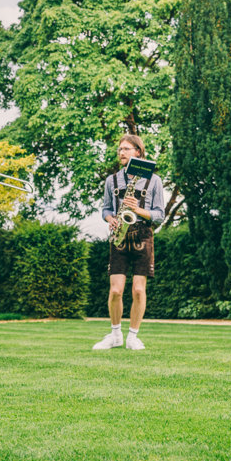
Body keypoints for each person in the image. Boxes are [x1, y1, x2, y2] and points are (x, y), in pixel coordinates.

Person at [93, 134, 165, 351]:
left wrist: (137, 210)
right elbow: (106, 208)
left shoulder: (155, 180)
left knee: (138, 290)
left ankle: (133, 336)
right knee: (115, 291)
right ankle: (115, 335)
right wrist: (110, 218)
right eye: (120, 149)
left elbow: (160, 215)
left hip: (143, 235)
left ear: (138, 152)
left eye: (126, 149)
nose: (121, 153)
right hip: (119, 236)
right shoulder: (111, 180)